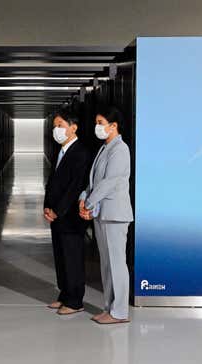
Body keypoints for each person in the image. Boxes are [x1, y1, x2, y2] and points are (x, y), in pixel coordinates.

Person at [79, 106, 133, 325]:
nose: (97, 127)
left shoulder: (120, 149)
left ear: (114, 126)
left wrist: (89, 204)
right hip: (103, 215)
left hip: (115, 215)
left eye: (101, 122)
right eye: (97, 122)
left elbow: (109, 183)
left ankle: (119, 312)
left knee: (117, 264)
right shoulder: (105, 148)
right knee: (107, 264)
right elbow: (94, 181)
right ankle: (109, 308)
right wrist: (83, 198)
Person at [44, 110, 91, 315]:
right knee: (60, 256)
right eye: (55, 126)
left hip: (70, 216)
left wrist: (58, 211)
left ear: (73, 127)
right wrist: (47, 206)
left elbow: (75, 187)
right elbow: (52, 182)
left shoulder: (80, 152)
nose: (57, 130)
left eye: (60, 126)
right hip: (56, 215)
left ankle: (75, 301)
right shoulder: (60, 151)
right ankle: (64, 294)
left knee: (72, 258)